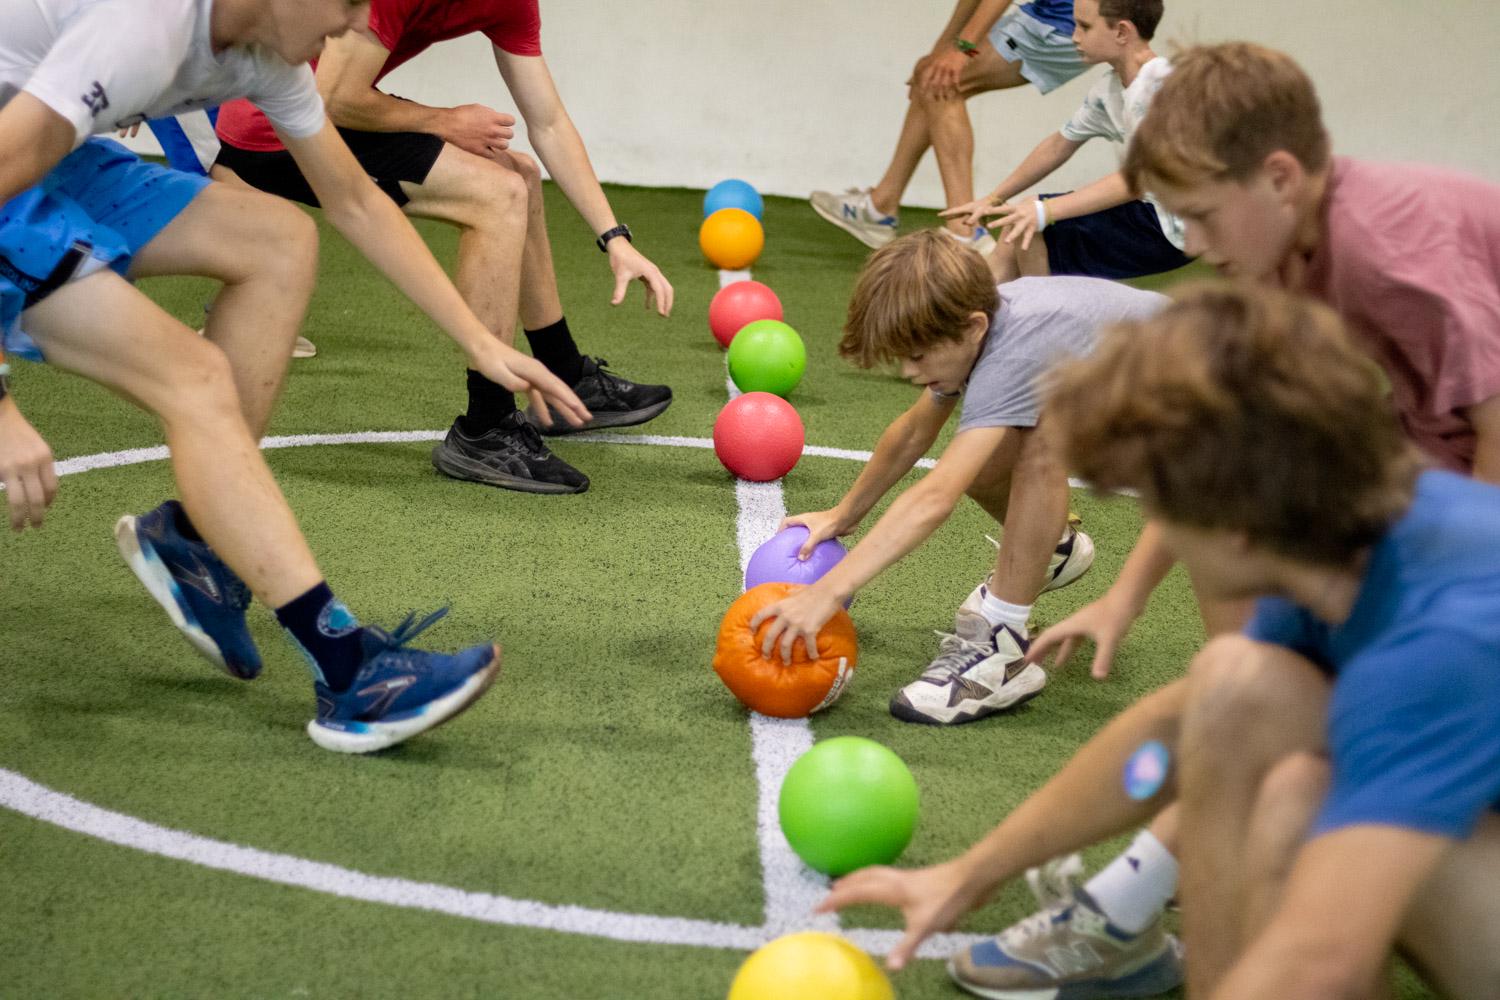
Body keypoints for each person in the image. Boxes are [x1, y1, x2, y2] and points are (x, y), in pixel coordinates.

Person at [820, 284, 1500, 1000]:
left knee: (1293, 805)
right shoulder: (1338, 550)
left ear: (1235, 522)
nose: (1158, 530)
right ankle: (1133, 929)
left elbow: (1321, 960)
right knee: (1249, 701)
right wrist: (968, 876)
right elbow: (1174, 738)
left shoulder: (1445, 639)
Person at [995, 44, 1500, 972]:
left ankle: (1136, 901)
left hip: (1469, 486)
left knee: (1352, 714)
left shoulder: (1386, 253)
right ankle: (1144, 894)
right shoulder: (1274, 252)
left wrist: (1454, 601)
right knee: (1269, 701)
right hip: (1439, 462)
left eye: (1197, 215)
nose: (1189, 245)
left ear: (1278, 178)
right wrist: (1125, 595)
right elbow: (1218, 466)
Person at [0, 0, 588, 753]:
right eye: (346, 1)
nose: (354, 24)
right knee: (194, 379)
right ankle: (349, 671)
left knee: (278, 240)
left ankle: (199, 544)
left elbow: (356, 202)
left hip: (48, 154)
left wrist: (479, 342)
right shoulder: (144, 24)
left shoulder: (267, 56)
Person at [211, 0, 675, 495]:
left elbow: (549, 122)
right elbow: (333, 98)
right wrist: (442, 120)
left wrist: (614, 238)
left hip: (325, 110)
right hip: (275, 129)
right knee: (496, 194)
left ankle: (564, 373)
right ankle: (486, 427)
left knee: (519, 174)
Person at [749, 230, 1163, 724]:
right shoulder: (982, 329)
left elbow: (935, 497)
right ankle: (1053, 550)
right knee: (992, 458)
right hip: (1157, 413)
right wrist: (844, 514)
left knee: (1038, 447)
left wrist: (828, 591)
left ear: (972, 327)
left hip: (1225, 429)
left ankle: (1002, 653)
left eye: (918, 356)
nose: (909, 371)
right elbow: (913, 432)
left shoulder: (1014, 351)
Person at [808, 0, 1089, 252]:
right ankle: (880, 206)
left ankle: (964, 231)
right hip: (1059, 18)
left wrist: (961, 49)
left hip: (1059, 23)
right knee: (933, 77)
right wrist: (941, 53)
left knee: (941, 83)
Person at [944, 0, 1192, 283]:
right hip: (1151, 212)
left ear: (1122, 32)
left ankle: (1042, 310)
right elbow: (1058, 145)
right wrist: (992, 198)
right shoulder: (1109, 89)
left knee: (1033, 227)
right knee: (1020, 224)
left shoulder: (1157, 86)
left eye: (1084, 27)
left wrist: (1044, 211)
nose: (1074, 36)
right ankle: (975, 306)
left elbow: (1136, 181)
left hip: (1174, 229)